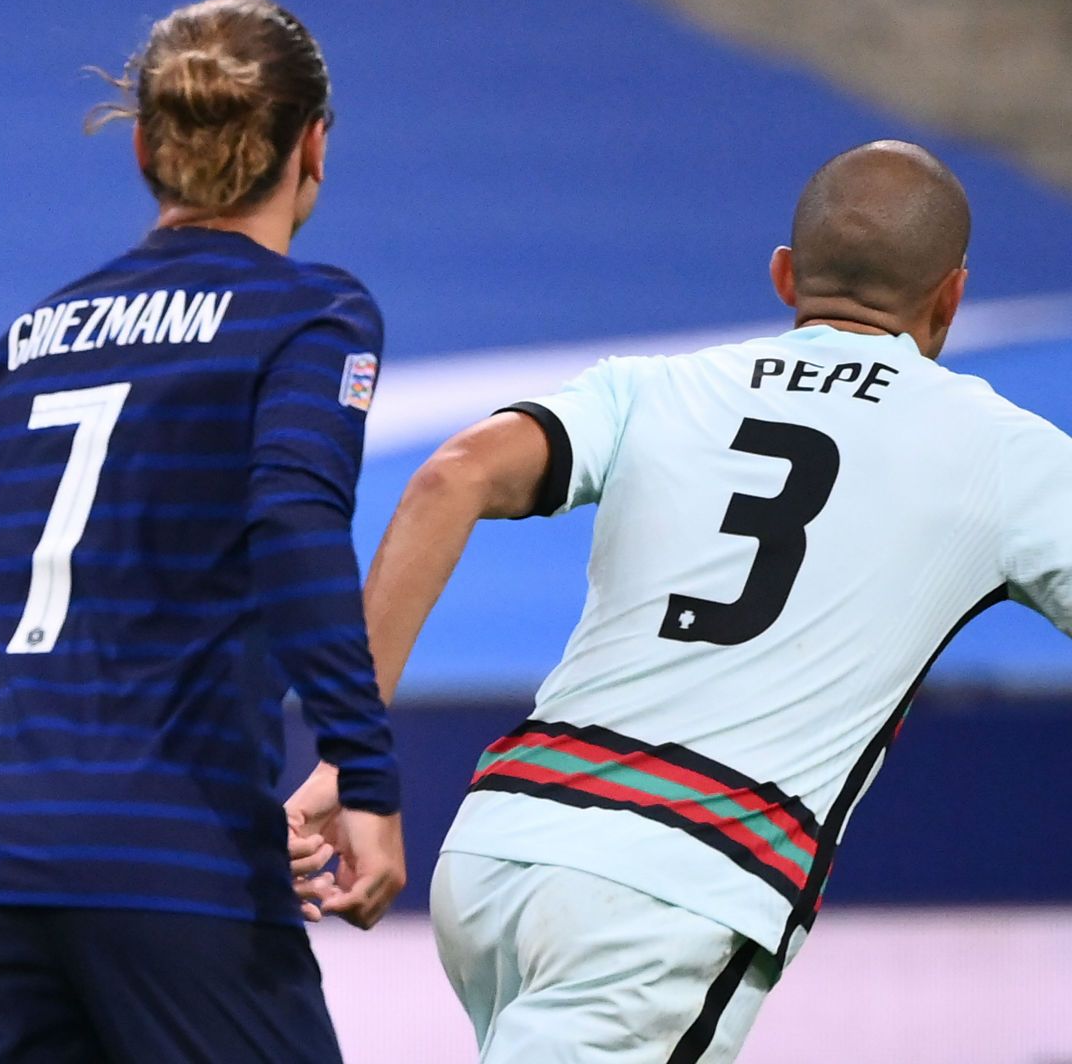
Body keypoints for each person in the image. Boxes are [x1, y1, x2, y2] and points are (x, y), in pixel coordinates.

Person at [289, 139, 1072, 1062]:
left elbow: (448, 477)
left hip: (502, 846)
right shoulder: (1009, 457)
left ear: (785, 276)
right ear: (950, 297)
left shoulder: (651, 387)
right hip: (672, 888)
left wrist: (351, 754)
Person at [0, 0, 407, 1063]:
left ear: (143, 146)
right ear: (313, 144)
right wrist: (365, 776)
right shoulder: (311, 315)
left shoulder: (26, 343)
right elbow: (295, 526)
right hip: (181, 858)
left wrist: (70, 754)